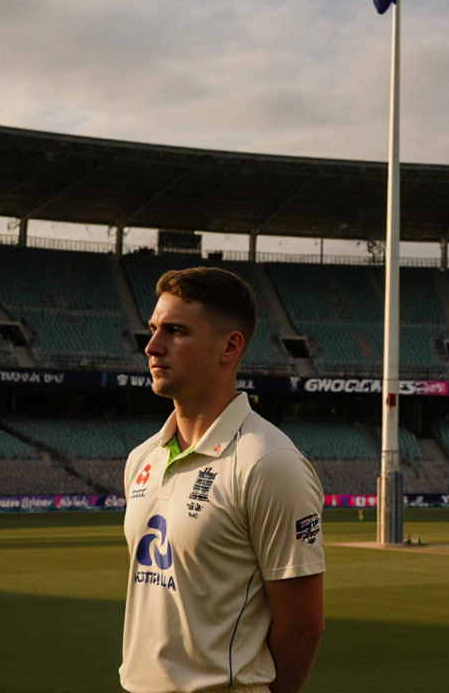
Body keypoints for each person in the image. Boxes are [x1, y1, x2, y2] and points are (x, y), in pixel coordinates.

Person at [120, 267, 325, 693]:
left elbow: (303, 626)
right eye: (154, 328)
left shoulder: (270, 462)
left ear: (230, 346)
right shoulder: (143, 457)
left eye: (175, 331)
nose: (152, 346)